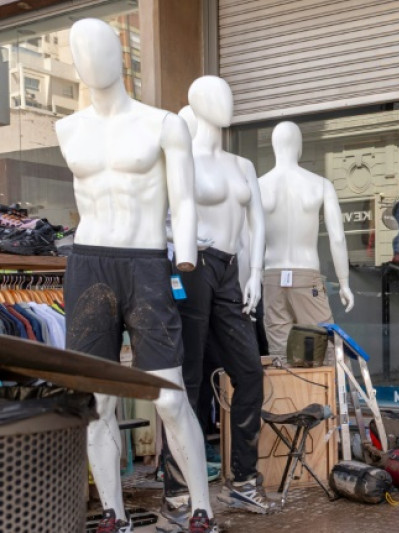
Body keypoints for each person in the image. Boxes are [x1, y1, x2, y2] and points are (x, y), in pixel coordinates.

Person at [55, 18, 215, 532]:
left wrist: (185, 255)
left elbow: (184, 198)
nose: (89, 59)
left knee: (168, 396)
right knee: (97, 401)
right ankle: (113, 514)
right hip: (87, 264)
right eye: (78, 51)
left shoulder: (163, 123)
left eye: (99, 47)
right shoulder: (67, 129)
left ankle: (201, 508)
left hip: (147, 265)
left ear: (121, 52)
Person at [161, 75, 276, 527]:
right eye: (216, 96)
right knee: (187, 377)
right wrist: (180, 237)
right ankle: (176, 486)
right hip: (192, 269)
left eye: (229, 94)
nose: (227, 103)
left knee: (249, 371)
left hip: (231, 270)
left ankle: (243, 479)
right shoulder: (181, 157)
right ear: (196, 102)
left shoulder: (243, 164)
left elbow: (257, 223)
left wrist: (257, 275)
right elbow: (161, 214)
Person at [258, 121, 354, 358]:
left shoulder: (258, 186)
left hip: (271, 277)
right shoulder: (320, 184)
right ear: (299, 147)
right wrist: (344, 282)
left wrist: (245, 284)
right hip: (305, 274)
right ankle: (333, 395)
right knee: (326, 347)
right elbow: (338, 238)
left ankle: (288, 396)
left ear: (273, 146)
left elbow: (248, 241)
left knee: (280, 354)